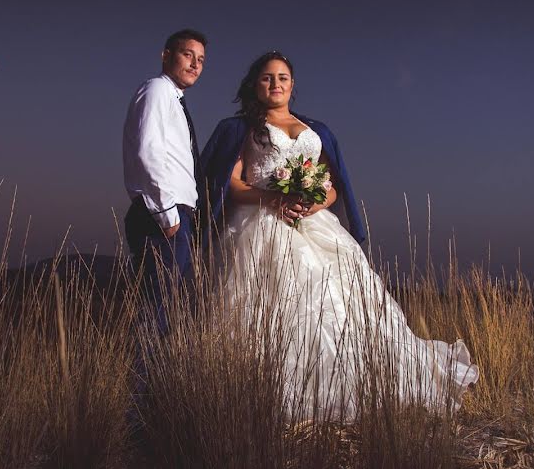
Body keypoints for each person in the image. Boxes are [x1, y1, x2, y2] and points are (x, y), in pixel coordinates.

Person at [200, 51, 479, 418]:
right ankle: (268, 386)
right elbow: (232, 183)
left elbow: (332, 185)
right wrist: (272, 196)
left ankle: (356, 379)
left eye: (283, 78)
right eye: (267, 78)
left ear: (292, 85)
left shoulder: (315, 129)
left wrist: (316, 202)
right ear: (255, 83)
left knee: (341, 299)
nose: (276, 84)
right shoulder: (242, 129)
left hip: (314, 221)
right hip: (262, 223)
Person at [122, 29, 206, 400]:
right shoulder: (156, 90)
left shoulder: (175, 100)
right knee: (156, 314)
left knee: (168, 314)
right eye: (188, 55)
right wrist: (168, 215)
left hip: (176, 218)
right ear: (166, 55)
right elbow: (147, 152)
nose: (195, 64)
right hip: (162, 219)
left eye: (201, 60)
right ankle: (139, 413)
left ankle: (156, 402)